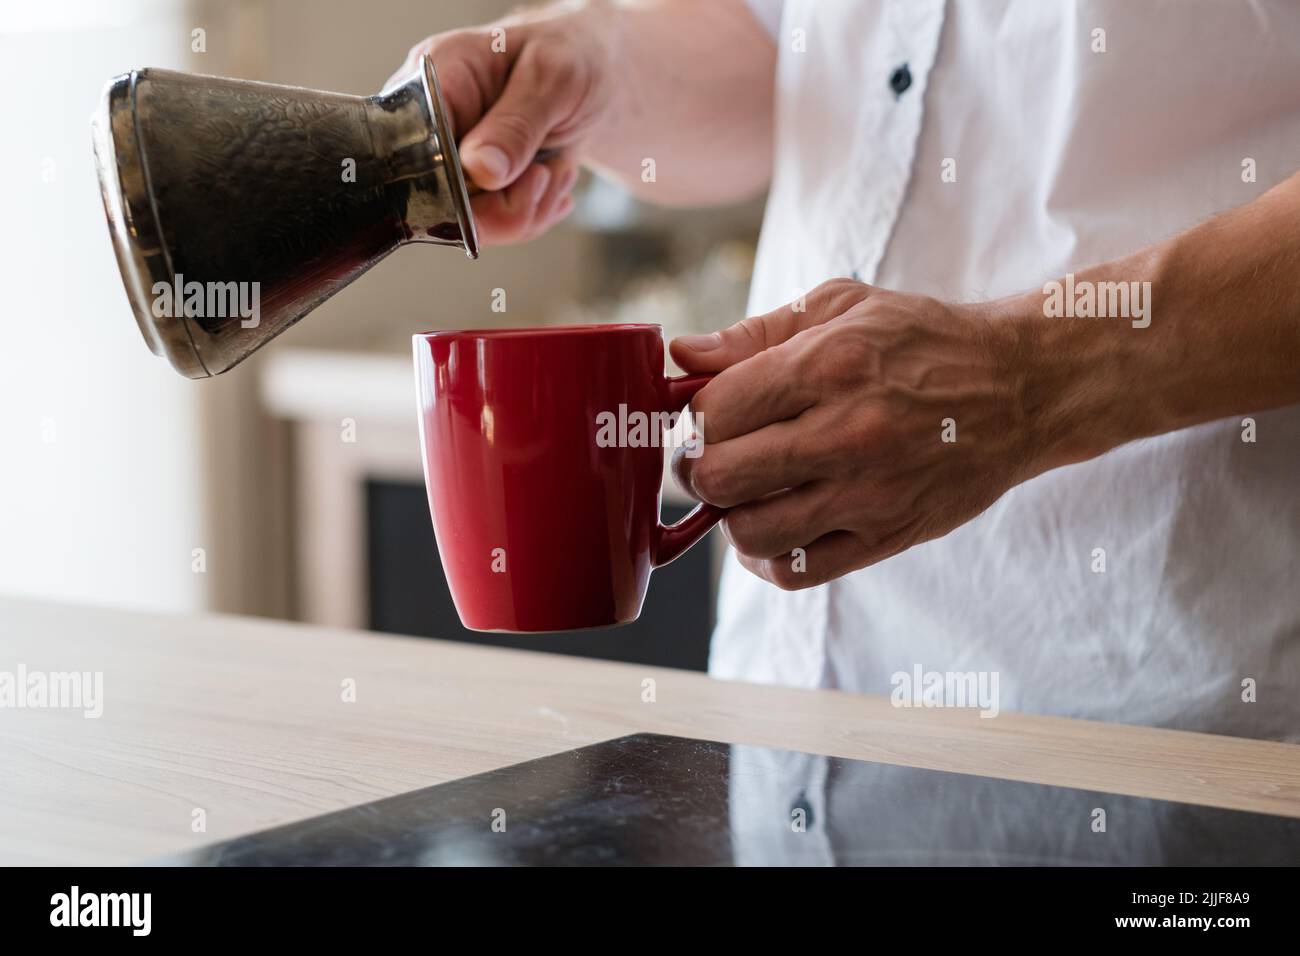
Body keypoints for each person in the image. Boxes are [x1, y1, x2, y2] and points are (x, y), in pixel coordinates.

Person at [391, 0, 1300, 740]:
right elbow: (785, 48)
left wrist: (1035, 377)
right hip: (782, 716)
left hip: (1171, 720)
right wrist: (591, 57)